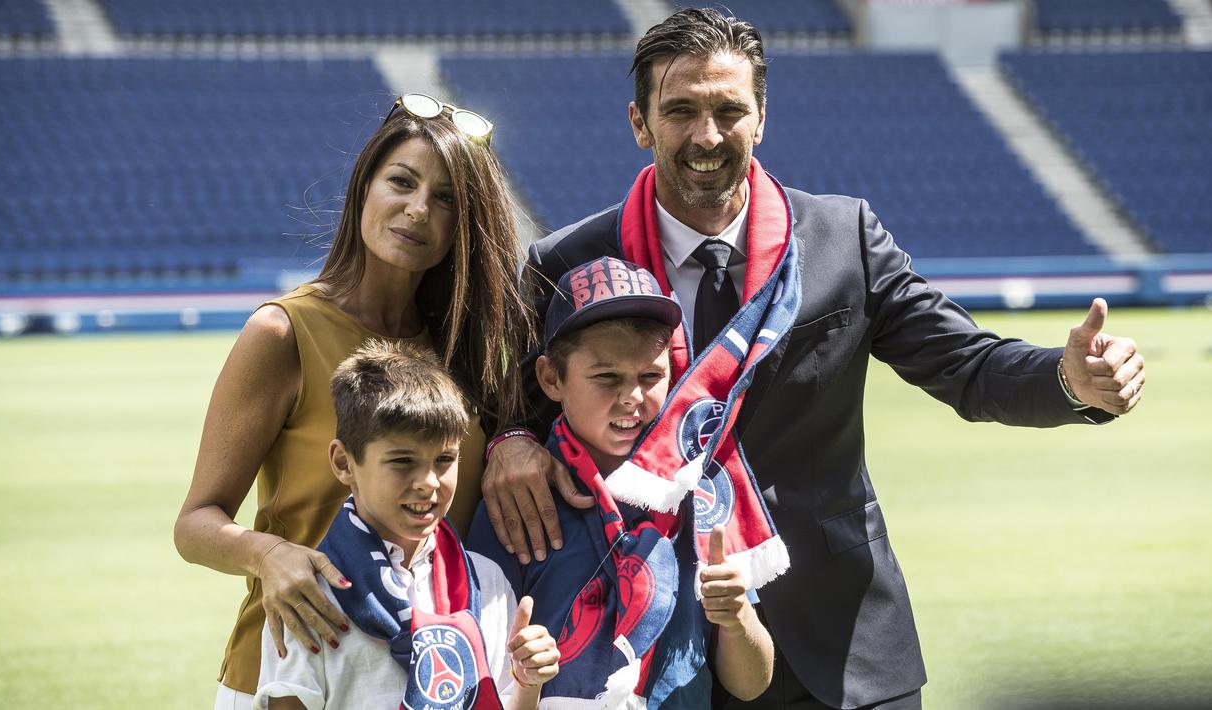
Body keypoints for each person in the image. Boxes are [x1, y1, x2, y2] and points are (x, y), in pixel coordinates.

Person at [479, 9, 1146, 710]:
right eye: (679, 111)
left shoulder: (841, 237)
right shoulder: (568, 261)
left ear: (760, 116)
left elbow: (968, 365)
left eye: (728, 110)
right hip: (661, 654)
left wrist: (1068, 382)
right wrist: (512, 440)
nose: (706, 135)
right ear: (639, 124)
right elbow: (513, 400)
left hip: (843, 643)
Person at [174, 93, 533, 708]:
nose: (418, 209)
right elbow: (195, 525)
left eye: (445, 199)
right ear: (365, 186)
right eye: (402, 181)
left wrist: (511, 438)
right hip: (294, 674)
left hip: (440, 680)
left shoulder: (472, 351)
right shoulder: (283, 333)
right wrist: (268, 554)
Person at [469, 257, 775, 707]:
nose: (631, 397)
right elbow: (479, 676)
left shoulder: (701, 491)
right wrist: (526, 675)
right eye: (606, 377)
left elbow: (751, 682)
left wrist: (737, 618)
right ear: (551, 378)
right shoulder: (518, 499)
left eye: (650, 377)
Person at [254, 340, 559, 709]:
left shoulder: (486, 581)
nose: (428, 481)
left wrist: (527, 683)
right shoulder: (308, 596)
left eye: (445, 459)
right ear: (343, 463)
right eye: (402, 461)